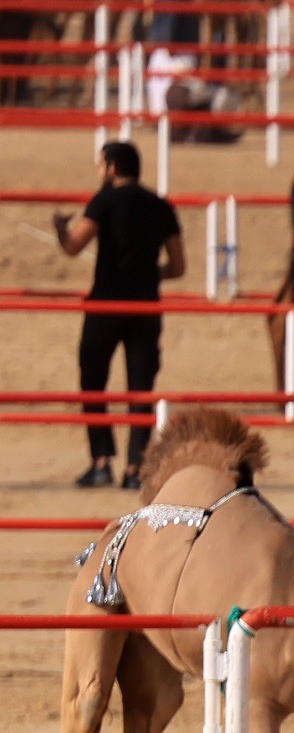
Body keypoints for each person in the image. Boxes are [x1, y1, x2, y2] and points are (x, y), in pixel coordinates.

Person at [52, 142, 184, 489]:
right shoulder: (161, 205)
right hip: (145, 305)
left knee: (93, 380)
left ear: (111, 167)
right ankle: (135, 468)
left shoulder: (104, 200)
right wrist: (151, 273)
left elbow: (73, 246)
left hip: (106, 303)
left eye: (100, 165)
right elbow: (179, 266)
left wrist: (59, 228)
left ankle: (100, 461)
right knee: (140, 386)